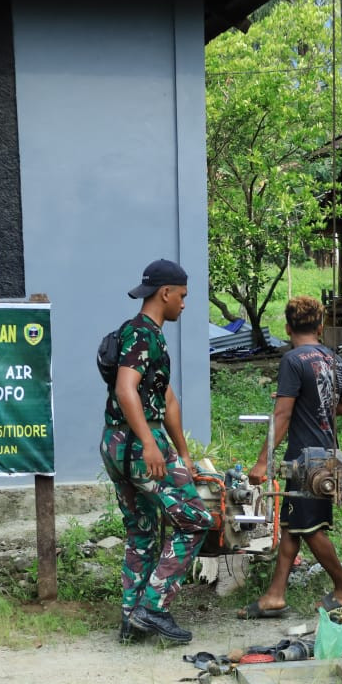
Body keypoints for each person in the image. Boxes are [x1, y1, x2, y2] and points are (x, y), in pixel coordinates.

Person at [101, 259, 214, 645]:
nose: (184, 304)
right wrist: (151, 443)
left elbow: (167, 399)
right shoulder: (142, 334)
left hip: (116, 442)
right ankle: (153, 607)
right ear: (165, 293)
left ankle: (131, 622)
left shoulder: (143, 335)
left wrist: (182, 453)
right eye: (182, 296)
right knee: (196, 519)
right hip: (138, 444)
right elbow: (125, 389)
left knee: (142, 531)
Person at [244, 296, 342, 616]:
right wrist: (315, 403)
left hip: (304, 457)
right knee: (293, 525)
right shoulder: (336, 360)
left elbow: (281, 415)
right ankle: (275, 595)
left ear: (288, 327)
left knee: (309, 528)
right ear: (321, 327)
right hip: (328, 453)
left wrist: (263, 460)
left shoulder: (293, 360)